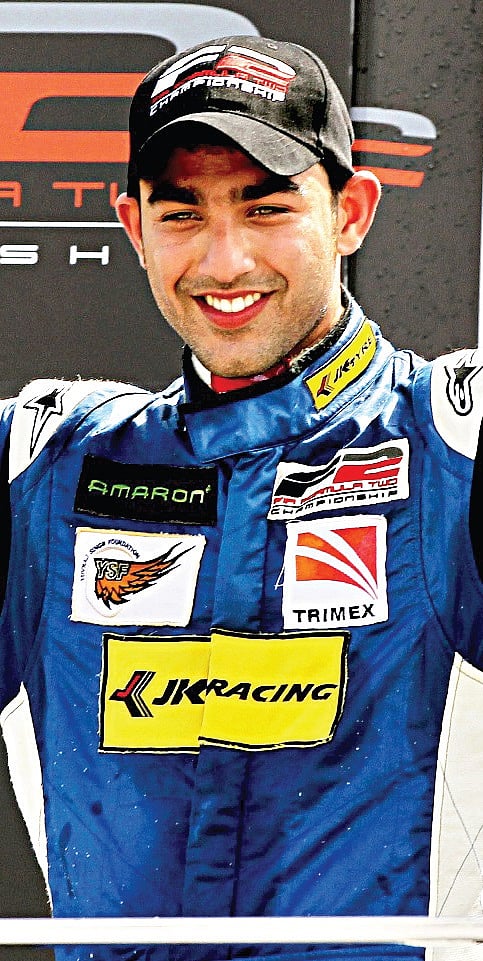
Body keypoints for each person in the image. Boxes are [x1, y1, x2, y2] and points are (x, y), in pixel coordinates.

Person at [0, 33, 482, 961]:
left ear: (350, 213)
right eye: (182, 214)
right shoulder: (45, 468)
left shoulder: (452, 446)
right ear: (133, 227)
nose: (224, 263)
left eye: (265, 208)